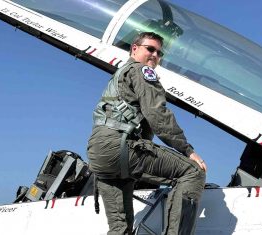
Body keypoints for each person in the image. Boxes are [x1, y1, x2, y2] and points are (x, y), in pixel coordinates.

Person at [87, 32, 207, 235]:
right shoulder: (142, 71)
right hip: (119, 147)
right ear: (134, 48)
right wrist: (187, 150)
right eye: (150, 49)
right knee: (193, 172)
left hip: (99, 155)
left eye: (159, 53)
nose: (155, 55)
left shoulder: (120, 75)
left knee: (119, 229)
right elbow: (157, 115)